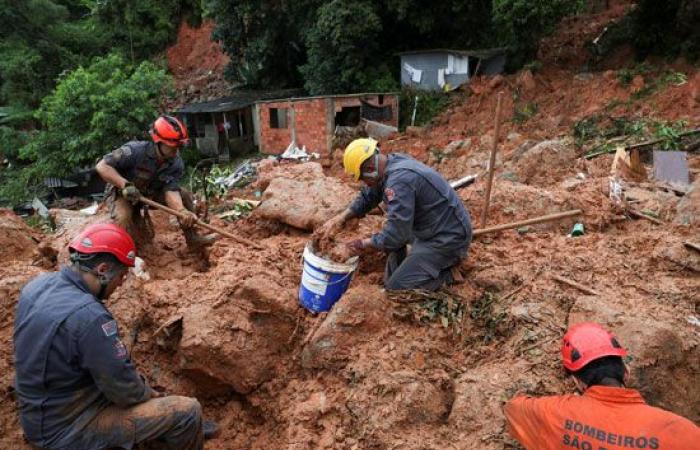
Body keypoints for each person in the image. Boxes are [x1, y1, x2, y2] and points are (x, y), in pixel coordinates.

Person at [13, 223, 214, 450]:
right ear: (102, 269)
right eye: (122, 275)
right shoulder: (89, 316)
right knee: (187, 412)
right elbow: (125, 391)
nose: (121, 283)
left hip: (39, 412)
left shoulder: (36, 286)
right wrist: (147, 393)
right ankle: (178, 428)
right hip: (66, 430)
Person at [504, 322, 700, 450]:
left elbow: (513, 409)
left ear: (577, 381)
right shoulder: (682, 432)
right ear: (626, 372)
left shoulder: (552, 413)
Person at [318, 138, 472, 291]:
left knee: (396, 287)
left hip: (448, 238)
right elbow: (369, 196)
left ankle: (448, 276)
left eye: (363, 178)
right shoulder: (390, 163)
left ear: (370, 168)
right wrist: (342, 217)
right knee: (392, 248)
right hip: (432, 226)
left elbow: (396, 234)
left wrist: (359, 245)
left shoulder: (399, 182)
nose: (365, 183)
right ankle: (412, 265)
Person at [95, 115, 213, 248]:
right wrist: (125, 184)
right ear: (159, 142)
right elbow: (102, 166)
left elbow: (171, 190)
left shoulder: (175, 163)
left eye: (179, 146)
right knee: (123, 218)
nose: (176, 150)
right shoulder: (135, 151)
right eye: (172, 146)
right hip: (121, 194)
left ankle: (192, 238)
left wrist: (181, 211)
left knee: (184, 195)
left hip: (148, 194)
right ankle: (124, 253)